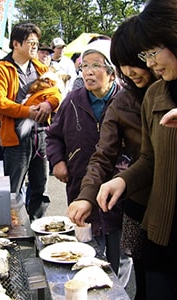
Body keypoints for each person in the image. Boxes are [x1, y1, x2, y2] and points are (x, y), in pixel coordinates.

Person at [96, 1, 177, 300]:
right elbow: (150, 159)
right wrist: (122, 181)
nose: (151, 63)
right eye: (146, 56)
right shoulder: (155, 94)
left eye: (155, 52)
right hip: (162, 231)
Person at [66, 16, 158, 300]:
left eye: (136, 61)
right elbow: (102, 154)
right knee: (150, 287)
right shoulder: (122, 103)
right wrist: (85, 196)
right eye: (123, 65)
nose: (130, 72)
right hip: (140, 202)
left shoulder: (172, 91)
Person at [46, 39, 131, 283]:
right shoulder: (73, 100)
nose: (89, 72)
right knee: (85, 248)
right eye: (84, 66)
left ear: (112, 72)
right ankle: (92, 295)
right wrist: (58, 161)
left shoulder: (126, 101)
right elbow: (53, 136)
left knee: (119, 252)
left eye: (97, 66)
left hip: (117, 189)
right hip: (80, 183)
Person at [0, 22, 61, 220]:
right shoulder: (1, 69)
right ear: (16, 44)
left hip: (41, 134)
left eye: (36, 43)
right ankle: (12, 226)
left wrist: (49, 104)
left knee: (40, 184)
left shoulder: (40, 67)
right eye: (30, 42)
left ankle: (38, 224)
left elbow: (56, 92)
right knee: (14, 186)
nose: (35, 47)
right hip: (15, 136)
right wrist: (26, 111)